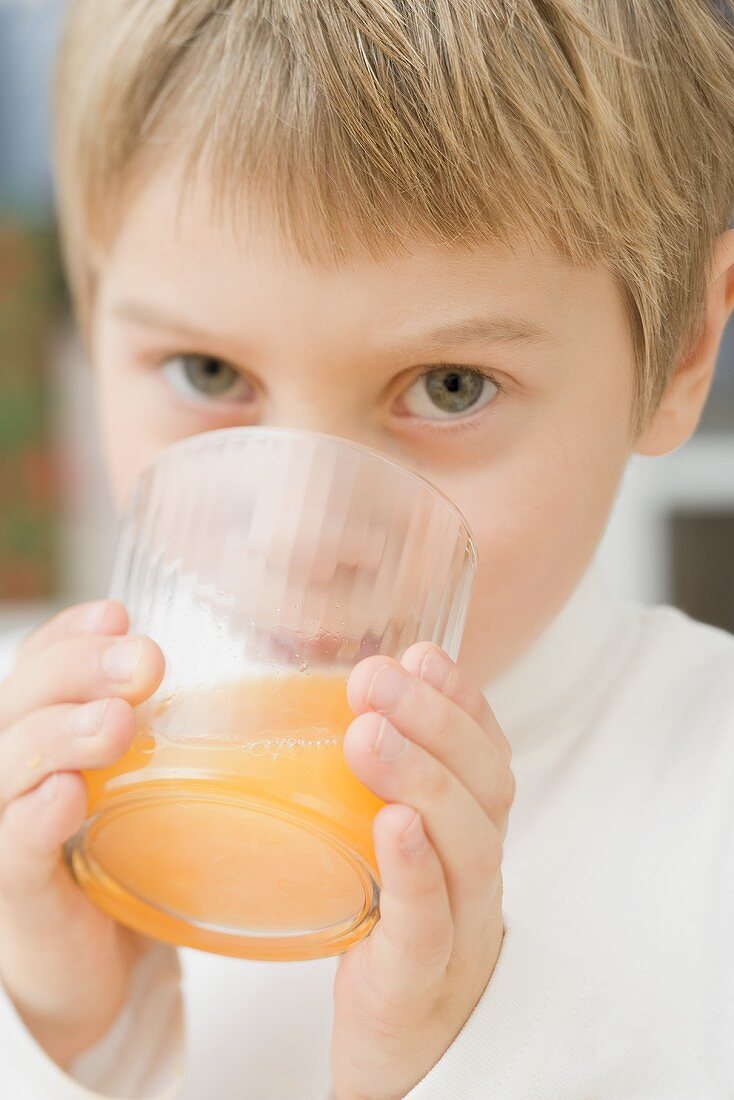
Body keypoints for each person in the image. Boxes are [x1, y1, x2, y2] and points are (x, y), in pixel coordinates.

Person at [1, 1, 733, 1097]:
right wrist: (69, 1038)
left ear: (679, 357)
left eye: (449, 387)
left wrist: (469, 1060)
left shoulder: (703, 809)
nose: (300, 539)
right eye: (206, 373)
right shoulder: (33, 777)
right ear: (92, 310)